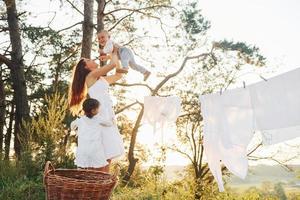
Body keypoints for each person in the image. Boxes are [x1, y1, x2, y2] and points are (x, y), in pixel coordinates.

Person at [69, 58, 125, 172]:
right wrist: (111, 53)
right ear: (86, 67)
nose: (92, 59)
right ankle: (96, 182)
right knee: (101, 151)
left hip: (108, 114)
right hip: (99, 116)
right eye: (88, 60)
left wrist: (115, 56)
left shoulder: (100, 78)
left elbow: (118, 75)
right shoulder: (91, 75)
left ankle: (103, 185)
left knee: (108, 151)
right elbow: (113, 64)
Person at [71, 98, 113, 171]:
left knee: (82, 166)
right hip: (95, 148)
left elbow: (72, 125)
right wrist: (111, 119)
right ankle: (93, 179)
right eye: (98, 109)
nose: (99, 110)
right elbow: (109, 124)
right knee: (95, 167)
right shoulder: (98, 119)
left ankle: (80, 178)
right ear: (93, 111)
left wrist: (74, 129)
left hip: (83, 148)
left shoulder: (81, 120)